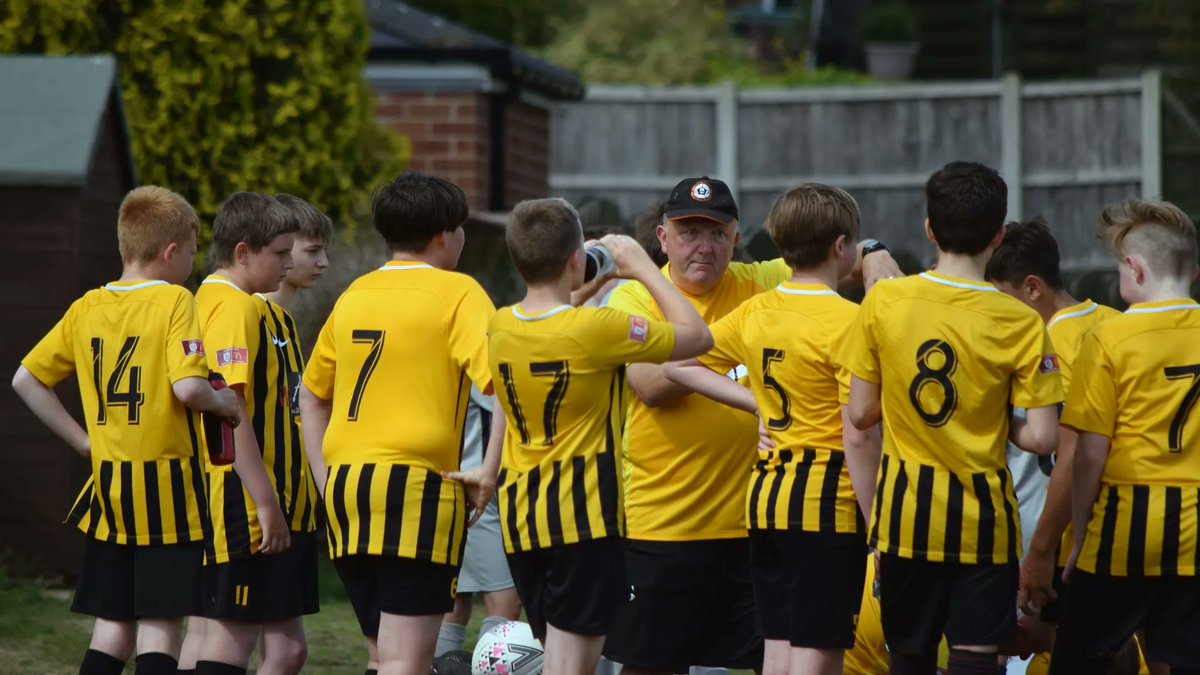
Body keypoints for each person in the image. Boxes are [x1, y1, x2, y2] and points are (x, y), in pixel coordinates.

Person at [602, 176, 900, 675]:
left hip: (753, 521)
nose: (704, 246)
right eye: (690, 232)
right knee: (654, 664)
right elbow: (651, 382)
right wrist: (756, 401)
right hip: (666, 525)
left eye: (717, 233)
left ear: (737, 238)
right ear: (663, 238)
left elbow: (822, 248)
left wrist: (875, 252)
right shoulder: (637, 297)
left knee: (777, 655)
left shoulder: (760, 285)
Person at [838, 161, 1064, 675]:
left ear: (929, 229)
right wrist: (990, 410)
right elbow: (1044, 435)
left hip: (903, 520)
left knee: (910, 656)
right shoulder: (1021, 320)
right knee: (976, 658)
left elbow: (859, 412)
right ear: (998, 236)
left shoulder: (885, 302)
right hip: (983, 525)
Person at [11, 186, 241, 675]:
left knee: (112, 626)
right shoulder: (176, 301)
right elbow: (190, 389)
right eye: (194, 249)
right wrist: (225, 404)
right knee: (160, 625)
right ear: (170, 251)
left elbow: (25, 379)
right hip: (166, 487)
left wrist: (83, 442)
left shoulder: (87, 306)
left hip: (111, 487)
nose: (195, 260)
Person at [480, 198, 711, 675]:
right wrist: (641, 267)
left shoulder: (500, 325)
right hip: (582, 520)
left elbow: (557, 319)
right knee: (575, 666)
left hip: (524, 517)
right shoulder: (599, 329)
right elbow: (697, 336)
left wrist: (595, 278)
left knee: (557, 659)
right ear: (573, 260)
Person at [298, 171, 497, 675]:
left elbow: (311, 394)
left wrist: (325, 477)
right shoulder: (458, 292)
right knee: (408, 659)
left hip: (347, 488)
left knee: (381, 653)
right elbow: (506, 385)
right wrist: (489, 470)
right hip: (417, 490)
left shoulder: (354, 294)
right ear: (443, 236)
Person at [1050, 198, 1200, 674]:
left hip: (1125, 526)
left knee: (1078, 658)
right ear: (1192, 272)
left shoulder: (1110, 338)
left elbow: (1089, 452)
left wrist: (1078, 535)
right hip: (1196, 529)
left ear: (1134, 269)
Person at [192, 192, 314, 675]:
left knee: (287, 651)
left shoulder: (252, 308)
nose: (290, 263)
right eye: (281, 253)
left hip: (270, 499)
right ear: (243, 252)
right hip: (244, 504)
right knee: (230, 642)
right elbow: (230, 408)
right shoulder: (232, 307)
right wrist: (265, 501)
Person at [434, 388, 522, 659]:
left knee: (455, 604)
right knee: (505, 603)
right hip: (479, 487)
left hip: (456, 481)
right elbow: (512, 402)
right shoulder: (480, 348)